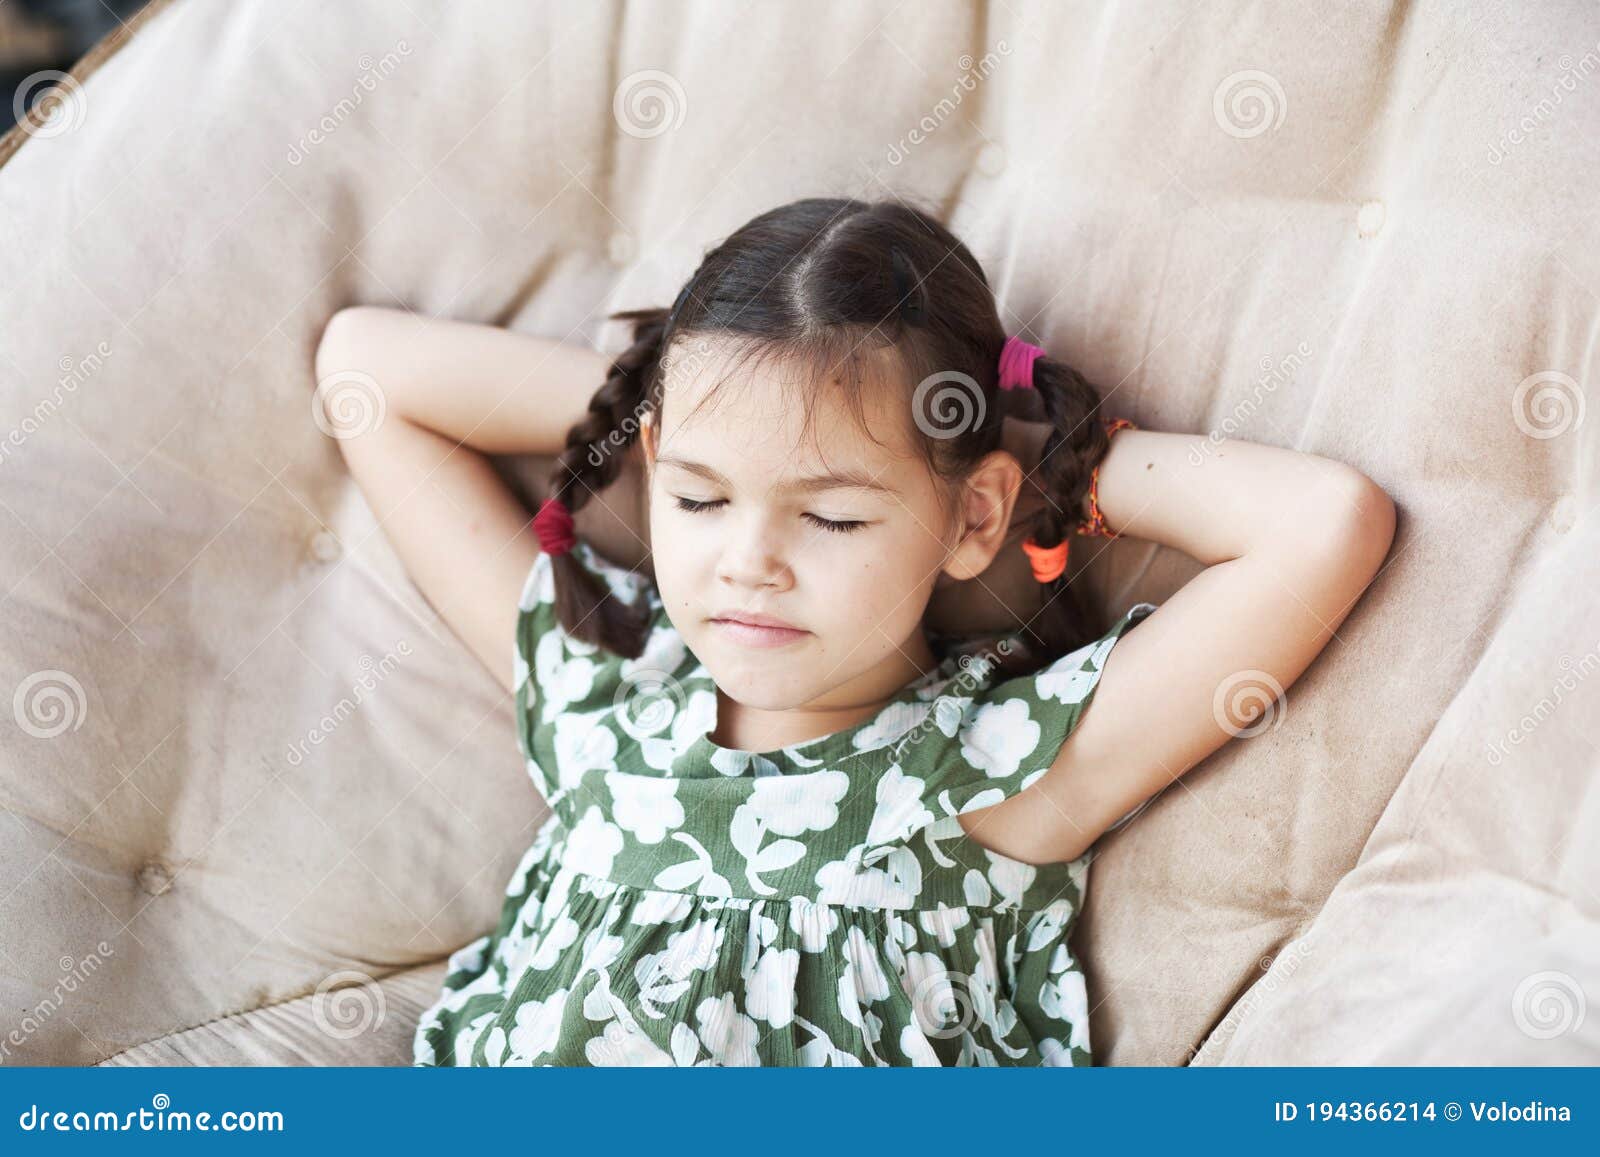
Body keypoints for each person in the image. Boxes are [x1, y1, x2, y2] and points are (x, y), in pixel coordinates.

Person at [316, 196, 1395, 1066]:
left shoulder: (991, 774)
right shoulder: (601, 683)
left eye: (830, 513)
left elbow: (1320, 524)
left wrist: (1040, 454)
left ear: (974, 515)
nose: (748, 559)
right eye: (696, 497)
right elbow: (365, 372)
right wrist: (699, 397)